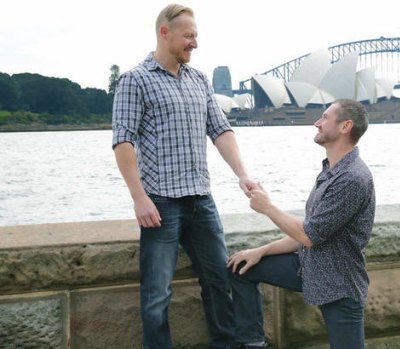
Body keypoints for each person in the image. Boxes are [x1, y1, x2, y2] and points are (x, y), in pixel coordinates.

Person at [111, 4, 256, 349]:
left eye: (196, 35)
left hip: (201, 200)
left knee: (219, 280)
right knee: (157, 293)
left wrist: (242, 175)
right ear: (165, 33)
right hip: (160, 203)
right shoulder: (135, 80)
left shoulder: (199, 79)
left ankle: (226, 344)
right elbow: (123, 141)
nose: (195, 43)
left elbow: (220, 130)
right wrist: (139, 197)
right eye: (188, 36)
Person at [227, 99, 376, 349]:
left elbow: (309, 235)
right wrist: (259, 252)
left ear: (345, 126)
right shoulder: (331, 170)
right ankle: (253, 344)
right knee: (240, 268)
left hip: (339, 282)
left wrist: (268, 207)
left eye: (325, 117)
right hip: (308, 266)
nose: (317, 122)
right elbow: (309, 232)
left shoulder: (352, 178)